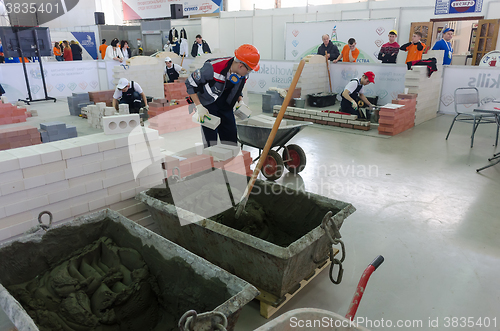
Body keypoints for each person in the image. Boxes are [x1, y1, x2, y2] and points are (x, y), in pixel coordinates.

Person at [185, 44, 260, 147]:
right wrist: (199, 107)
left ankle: (230, 161)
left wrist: (240, 101)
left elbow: (237, 89)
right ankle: (212, 159)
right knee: (211, 141)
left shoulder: (242, 74)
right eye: (250, 69)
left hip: (226, 105)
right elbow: (190, 83)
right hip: (208, 104)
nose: (249, 73)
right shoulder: (213, 68)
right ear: (240, 65)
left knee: (231, 139)